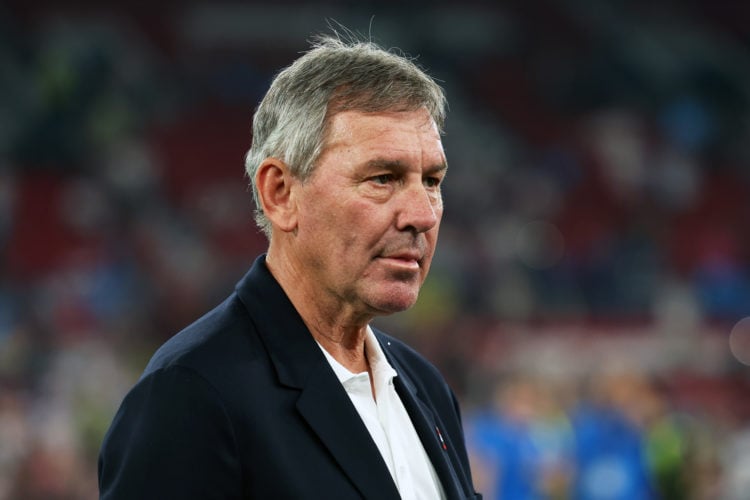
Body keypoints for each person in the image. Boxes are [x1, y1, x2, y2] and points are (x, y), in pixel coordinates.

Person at [98, 33, 481, 500]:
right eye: (383, 178)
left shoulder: (427, 388)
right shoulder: (191, 396)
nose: (422, 214)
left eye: (432, 181)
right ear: (280, 193)